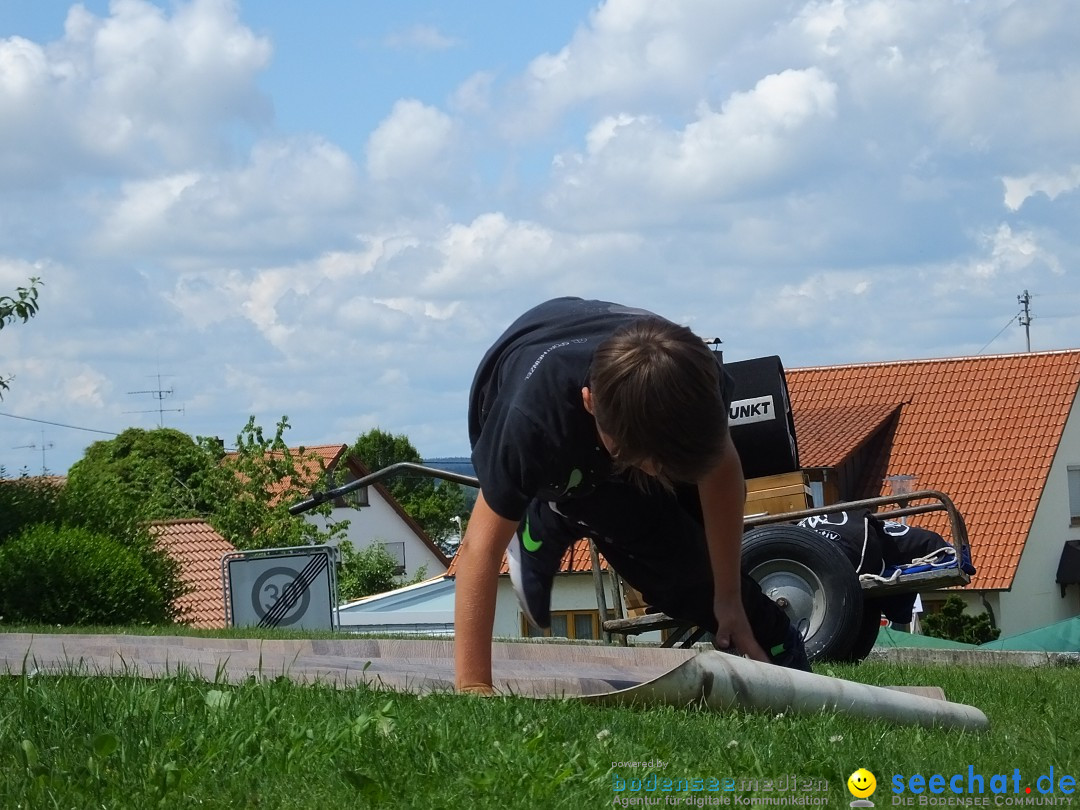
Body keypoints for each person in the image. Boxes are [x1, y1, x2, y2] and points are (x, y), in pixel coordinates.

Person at [454, 297, 808, 694]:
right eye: (639, 459)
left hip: (626, 408)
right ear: (590, 403)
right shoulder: (532, 427)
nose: (655, 472)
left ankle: (771, 645)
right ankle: (555, 510)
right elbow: (478, 551)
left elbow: (722, 475)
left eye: (663, 462)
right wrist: (474, 685)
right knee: (671, 566)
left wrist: (728, 600)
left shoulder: (696, 380)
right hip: (549, 444)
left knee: (706, 577)